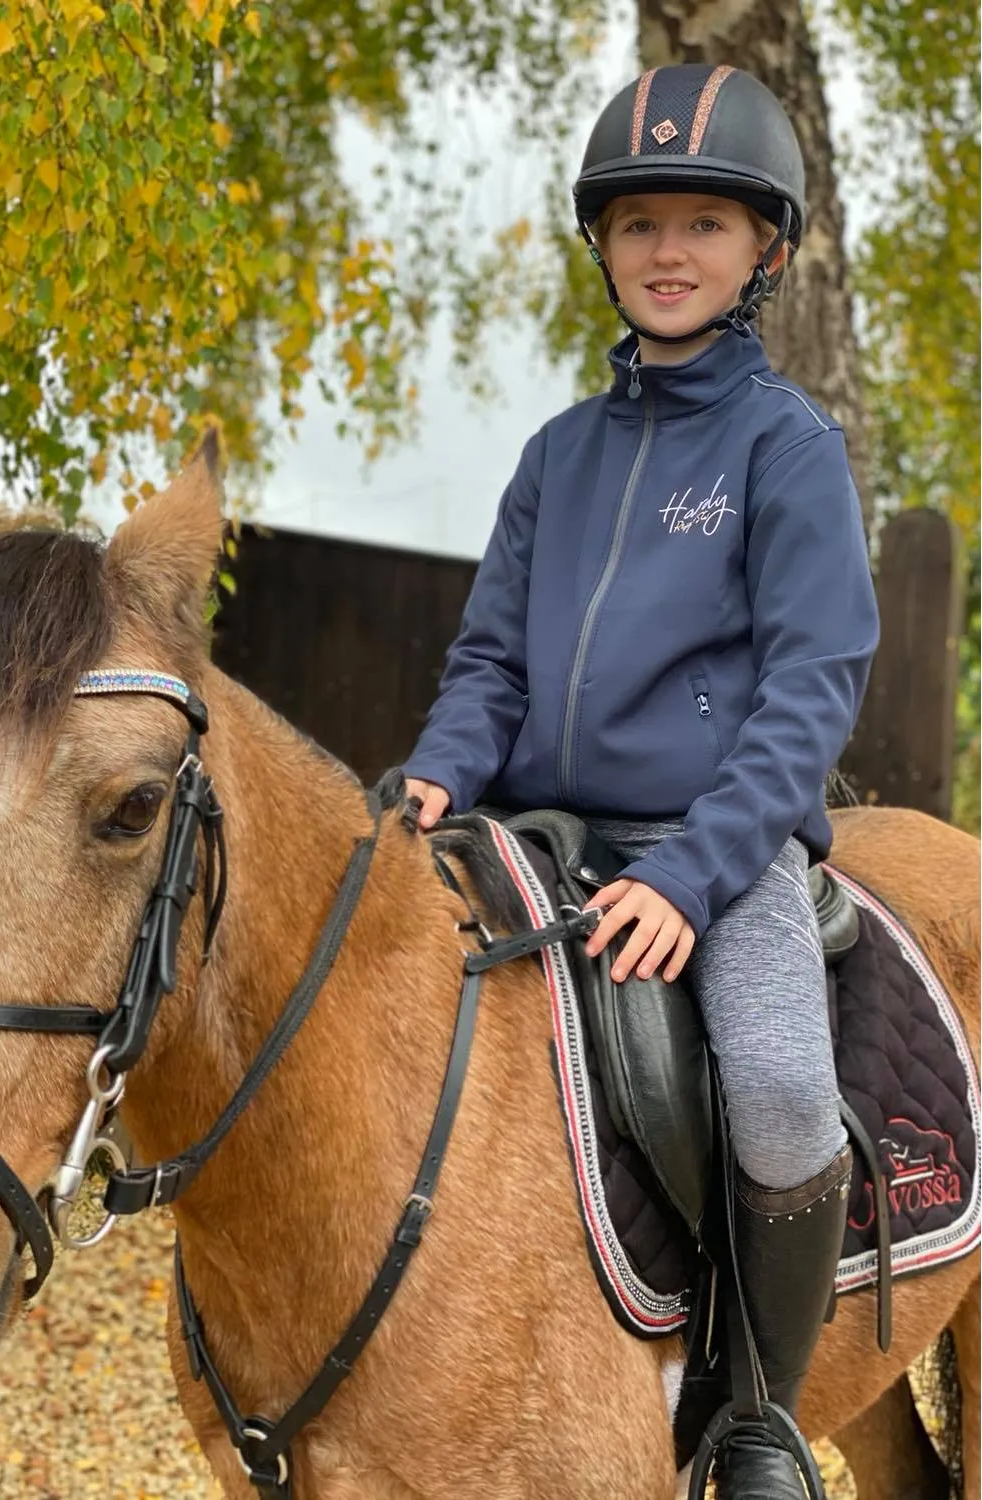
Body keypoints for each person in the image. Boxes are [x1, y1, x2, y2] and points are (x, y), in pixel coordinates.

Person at [403, 62, 880, 1499]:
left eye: (705, 226)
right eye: (639, 226)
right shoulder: (557, 457)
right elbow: (489, 662)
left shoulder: (788, 451)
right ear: (602, 249)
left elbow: (810, 692)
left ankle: (752, 1418)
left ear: (766, 253)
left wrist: (689, 872)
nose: (668, 253)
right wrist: (434, 774)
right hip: (532, 831)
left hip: (714, 846)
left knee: (789, 1095)